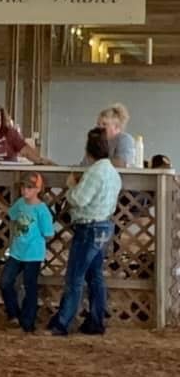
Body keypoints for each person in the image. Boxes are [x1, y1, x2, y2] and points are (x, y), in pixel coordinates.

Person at [47, 127, 121, 336]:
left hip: (88, 227)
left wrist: (71, 187)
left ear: (89, 150)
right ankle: (96, 321)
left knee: (75, 277)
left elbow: (79, 199)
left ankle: (62, 322)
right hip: (104, 225)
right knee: (95, 276)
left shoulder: (94, 172)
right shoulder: (112, 173)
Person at [0, 172, 55, 332]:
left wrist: (36, 239)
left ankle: (27, 322)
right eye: (23, 187)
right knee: (5, 282)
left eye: (29, 188)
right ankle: (14, 315)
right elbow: (12, 214)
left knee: (30, 287)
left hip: (33, 254)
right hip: (17, 251)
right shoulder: (21, 203)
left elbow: (49, 233)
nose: (25, 191)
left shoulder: (42, 209)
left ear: (38, 189)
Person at [94, 104, 135, 169]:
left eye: (104, 124)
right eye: (98, 124)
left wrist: (95, 163)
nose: (99, 127)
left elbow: (121, 163)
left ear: (116, 126)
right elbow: (84, 164)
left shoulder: (125, 139)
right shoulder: (96, 142)